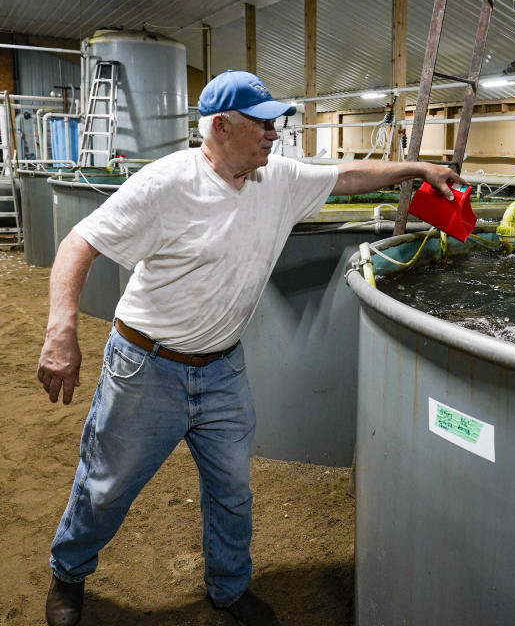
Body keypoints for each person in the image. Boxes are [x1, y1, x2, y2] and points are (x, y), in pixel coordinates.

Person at [37, 69, 464, 626]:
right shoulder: (164, 185)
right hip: (145, 368)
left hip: (222, 370)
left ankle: (229, 586)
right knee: (105, 486)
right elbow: (78, 243)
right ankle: (68, 571)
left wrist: (415, 167)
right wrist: (60, 330)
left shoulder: (276, 179)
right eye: (262, 124)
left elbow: (349, 176)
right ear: (219, 126)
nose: (274, 134)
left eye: (275, 123)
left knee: (232, 493)